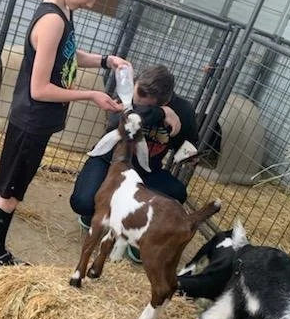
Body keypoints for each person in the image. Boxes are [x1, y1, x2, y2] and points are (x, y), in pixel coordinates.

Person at [0, 0, 128, 294]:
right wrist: (91, 94)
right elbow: (39, 88)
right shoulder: (52, 19)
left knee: (16, 193)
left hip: (39, 123)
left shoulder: (64, 13)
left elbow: (66, 57)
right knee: (8, 195)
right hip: (31, 120)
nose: (91, 3)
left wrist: (104, 60)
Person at [70, 64, 199, 262]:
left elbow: (191, 143)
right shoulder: (127, 92)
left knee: (177, 193)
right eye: (137, 100)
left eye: (148, 106)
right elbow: (121, 120)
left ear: (165, 100)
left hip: (146, 172)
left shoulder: (184, 110)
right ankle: (95, 212)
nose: (136, 102)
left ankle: (140, 233)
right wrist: (162, 114)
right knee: (83, 202)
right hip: (110, 163)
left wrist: (188, 152)